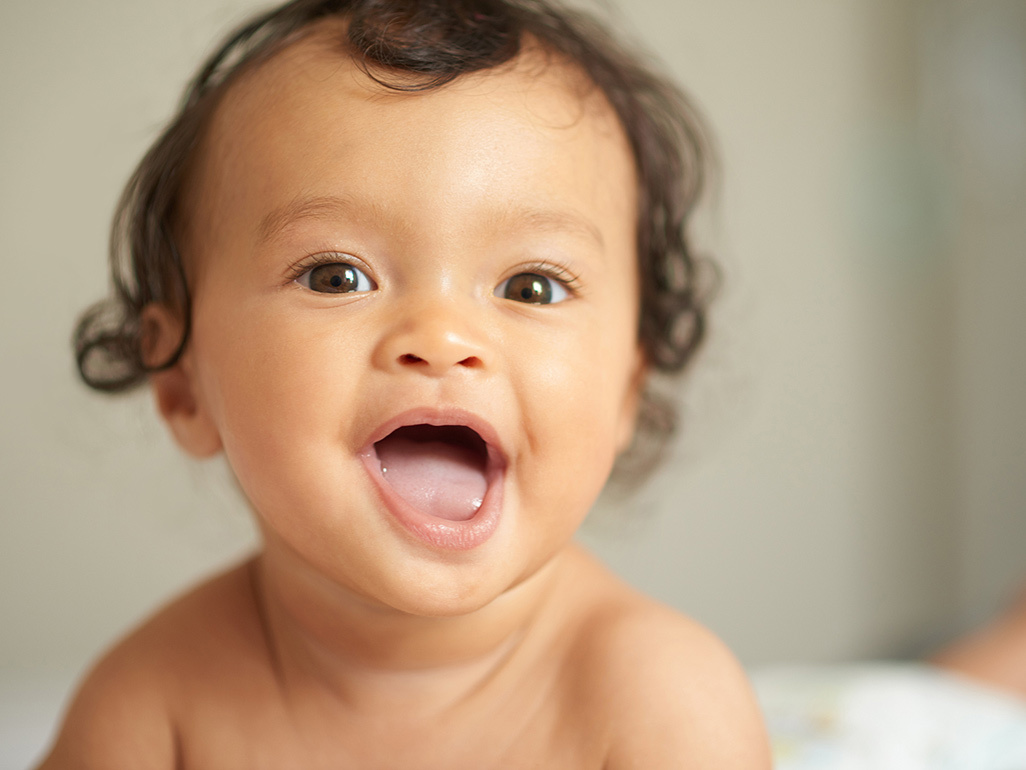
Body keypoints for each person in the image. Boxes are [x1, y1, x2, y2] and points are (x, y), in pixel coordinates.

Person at [38, 1, 770, 766]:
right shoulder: (154, 707)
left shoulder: (658, 705)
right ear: (183, 382)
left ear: (627, 390)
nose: (443, 338)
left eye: (531, 287)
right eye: (336, 275)